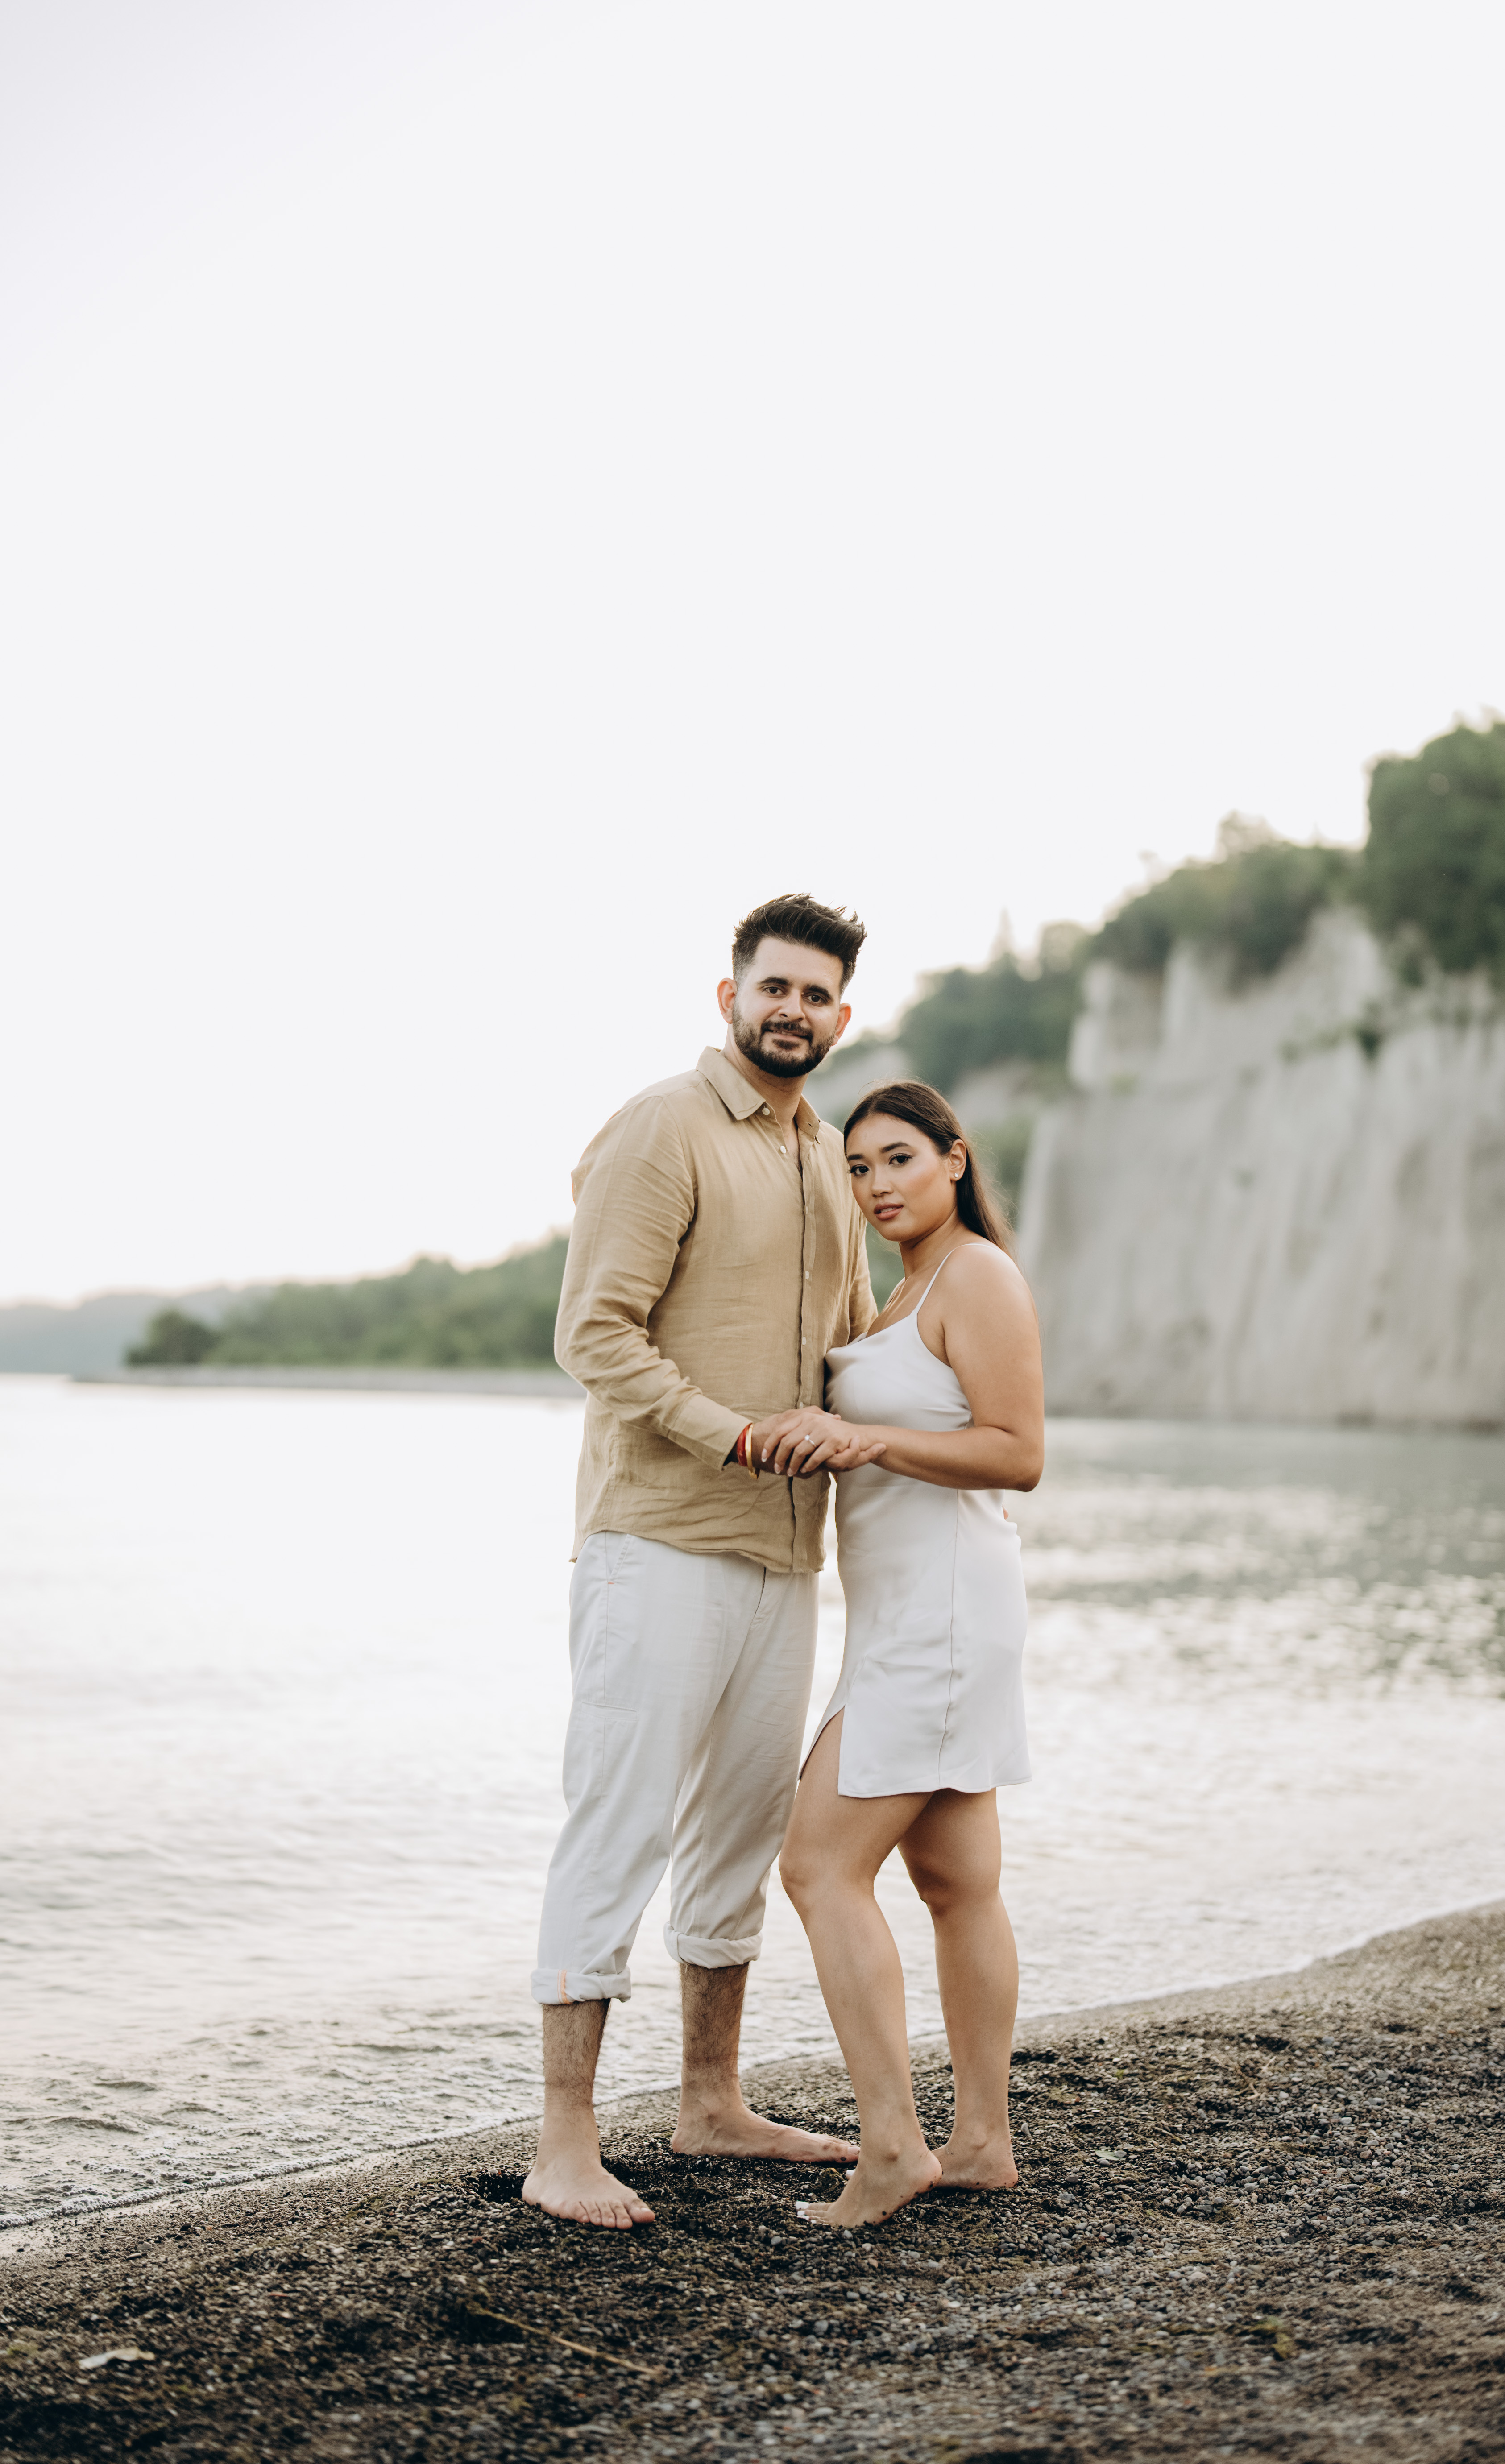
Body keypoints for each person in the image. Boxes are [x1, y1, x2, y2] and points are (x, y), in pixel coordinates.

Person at [522, 894, 888, 2230]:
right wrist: (729, 1433)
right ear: (730, 995)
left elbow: (853, 1354)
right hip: (660, 1542)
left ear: (841, 1017)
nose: (793, 1010)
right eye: (773, 987)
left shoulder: (828, 1158)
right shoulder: (661, 1129)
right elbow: (593, 1333)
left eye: (816, 995)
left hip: (786, 1560)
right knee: (617, 1827)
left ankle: (710, 2102)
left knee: (739, 1835)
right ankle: (564, 2142)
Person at [768, 1080, 1045, 2228]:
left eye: (898, 1159)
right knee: (955, 1883)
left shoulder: (976, 1274)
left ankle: (891, 2148)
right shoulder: (907, 1287)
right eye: (858, 1168)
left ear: (955, 1158)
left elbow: (1018, 1452)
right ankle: (980, 2142)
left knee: (816, 1867)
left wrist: (864, 1437)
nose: (877, 1185)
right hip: (916, 1616)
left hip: (939, 1620)